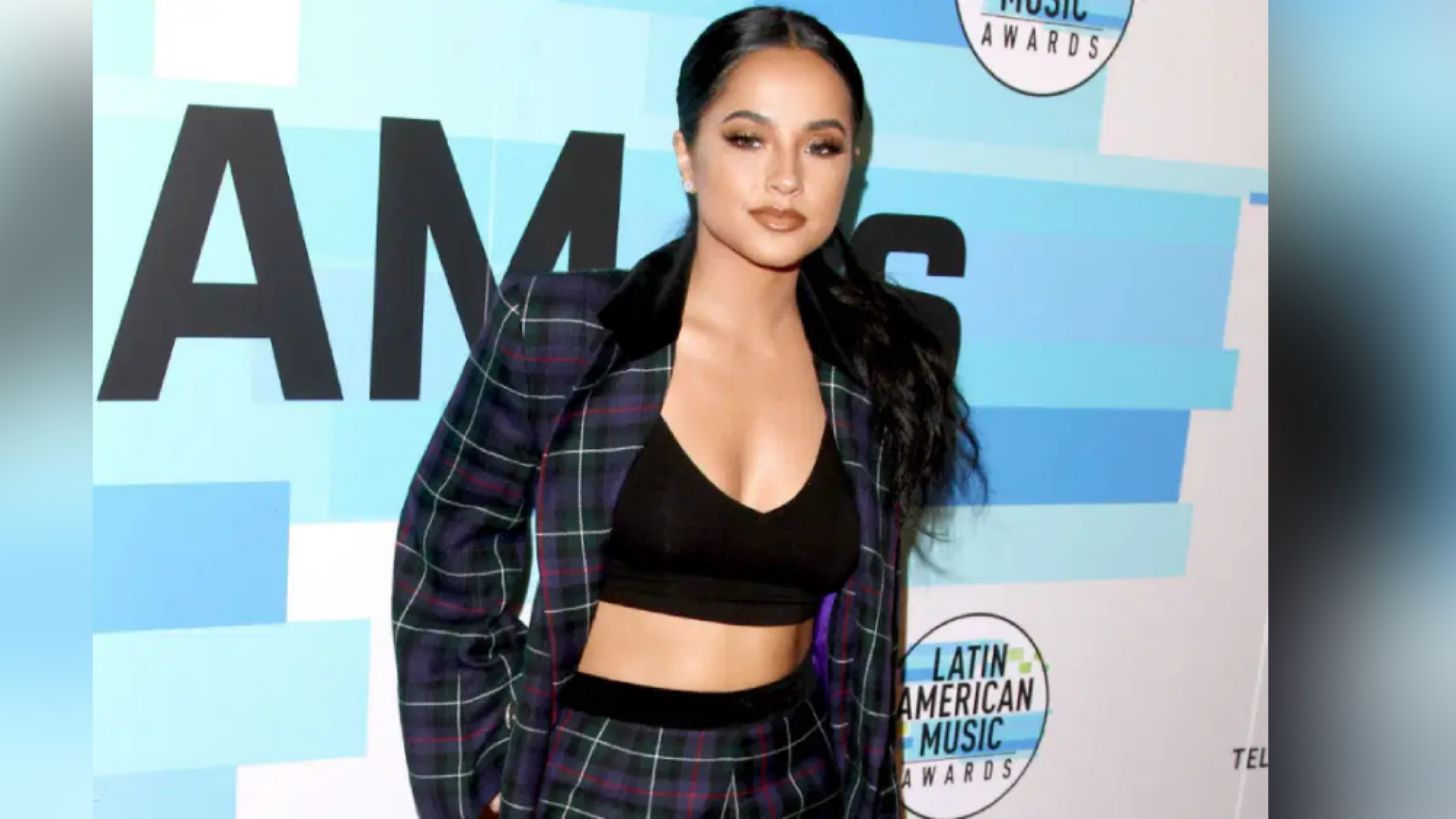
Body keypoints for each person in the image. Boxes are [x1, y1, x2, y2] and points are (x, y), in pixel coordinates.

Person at [392, 6, 987, 818]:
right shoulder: (565, 329)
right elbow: (446, 550)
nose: (786, 179)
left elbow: (871, 632)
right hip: (603, 771)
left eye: (821, 146)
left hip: (798, 774)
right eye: (748, 139)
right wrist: (483, 776)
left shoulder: (876, 368)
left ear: (853, 163)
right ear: (686, 154)